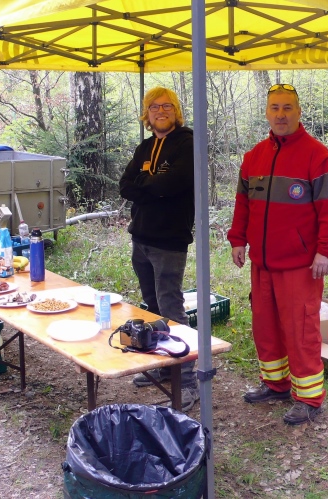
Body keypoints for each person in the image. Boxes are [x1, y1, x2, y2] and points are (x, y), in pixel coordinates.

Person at [227, 83, 328, 425]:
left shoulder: (318, 157)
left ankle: (308, 398)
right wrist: (238, 240)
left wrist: (326, 251)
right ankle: (275, 384)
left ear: (298, 112)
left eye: (287, 108)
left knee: (300, 330)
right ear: (267, 112)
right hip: (262, 262)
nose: (281, 115)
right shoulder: (254, 157)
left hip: (300, 265)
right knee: (265, 327)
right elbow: (243, 204)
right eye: (275, 108)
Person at [118, 87, 199, 411]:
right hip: (141, 238)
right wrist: (153, 188)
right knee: (152, 308)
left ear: (175, 111)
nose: (160, 111)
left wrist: (146, 185)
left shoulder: (187, 144)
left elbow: (173, 184)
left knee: (171, 308)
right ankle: (165, 365)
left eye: (167, 106)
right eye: (154, 107)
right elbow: (125, 186)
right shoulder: (145, 147)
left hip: (169, 241)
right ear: (147, 114)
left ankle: (188, 379)